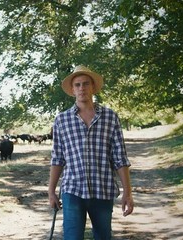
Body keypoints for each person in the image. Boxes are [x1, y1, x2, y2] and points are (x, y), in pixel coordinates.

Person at [48, 65, 134, 239]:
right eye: (77, 85)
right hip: (72, 190)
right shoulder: (61, 120)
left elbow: (120, 157)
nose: (82, 88)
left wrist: (128, 192)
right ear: (72, 90)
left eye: (86, 84)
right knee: (72, 237)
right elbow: (57, 158)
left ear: (93, 87)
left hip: (102, 189)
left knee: (103, 236)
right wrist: (51, 191)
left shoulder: (110, 117)